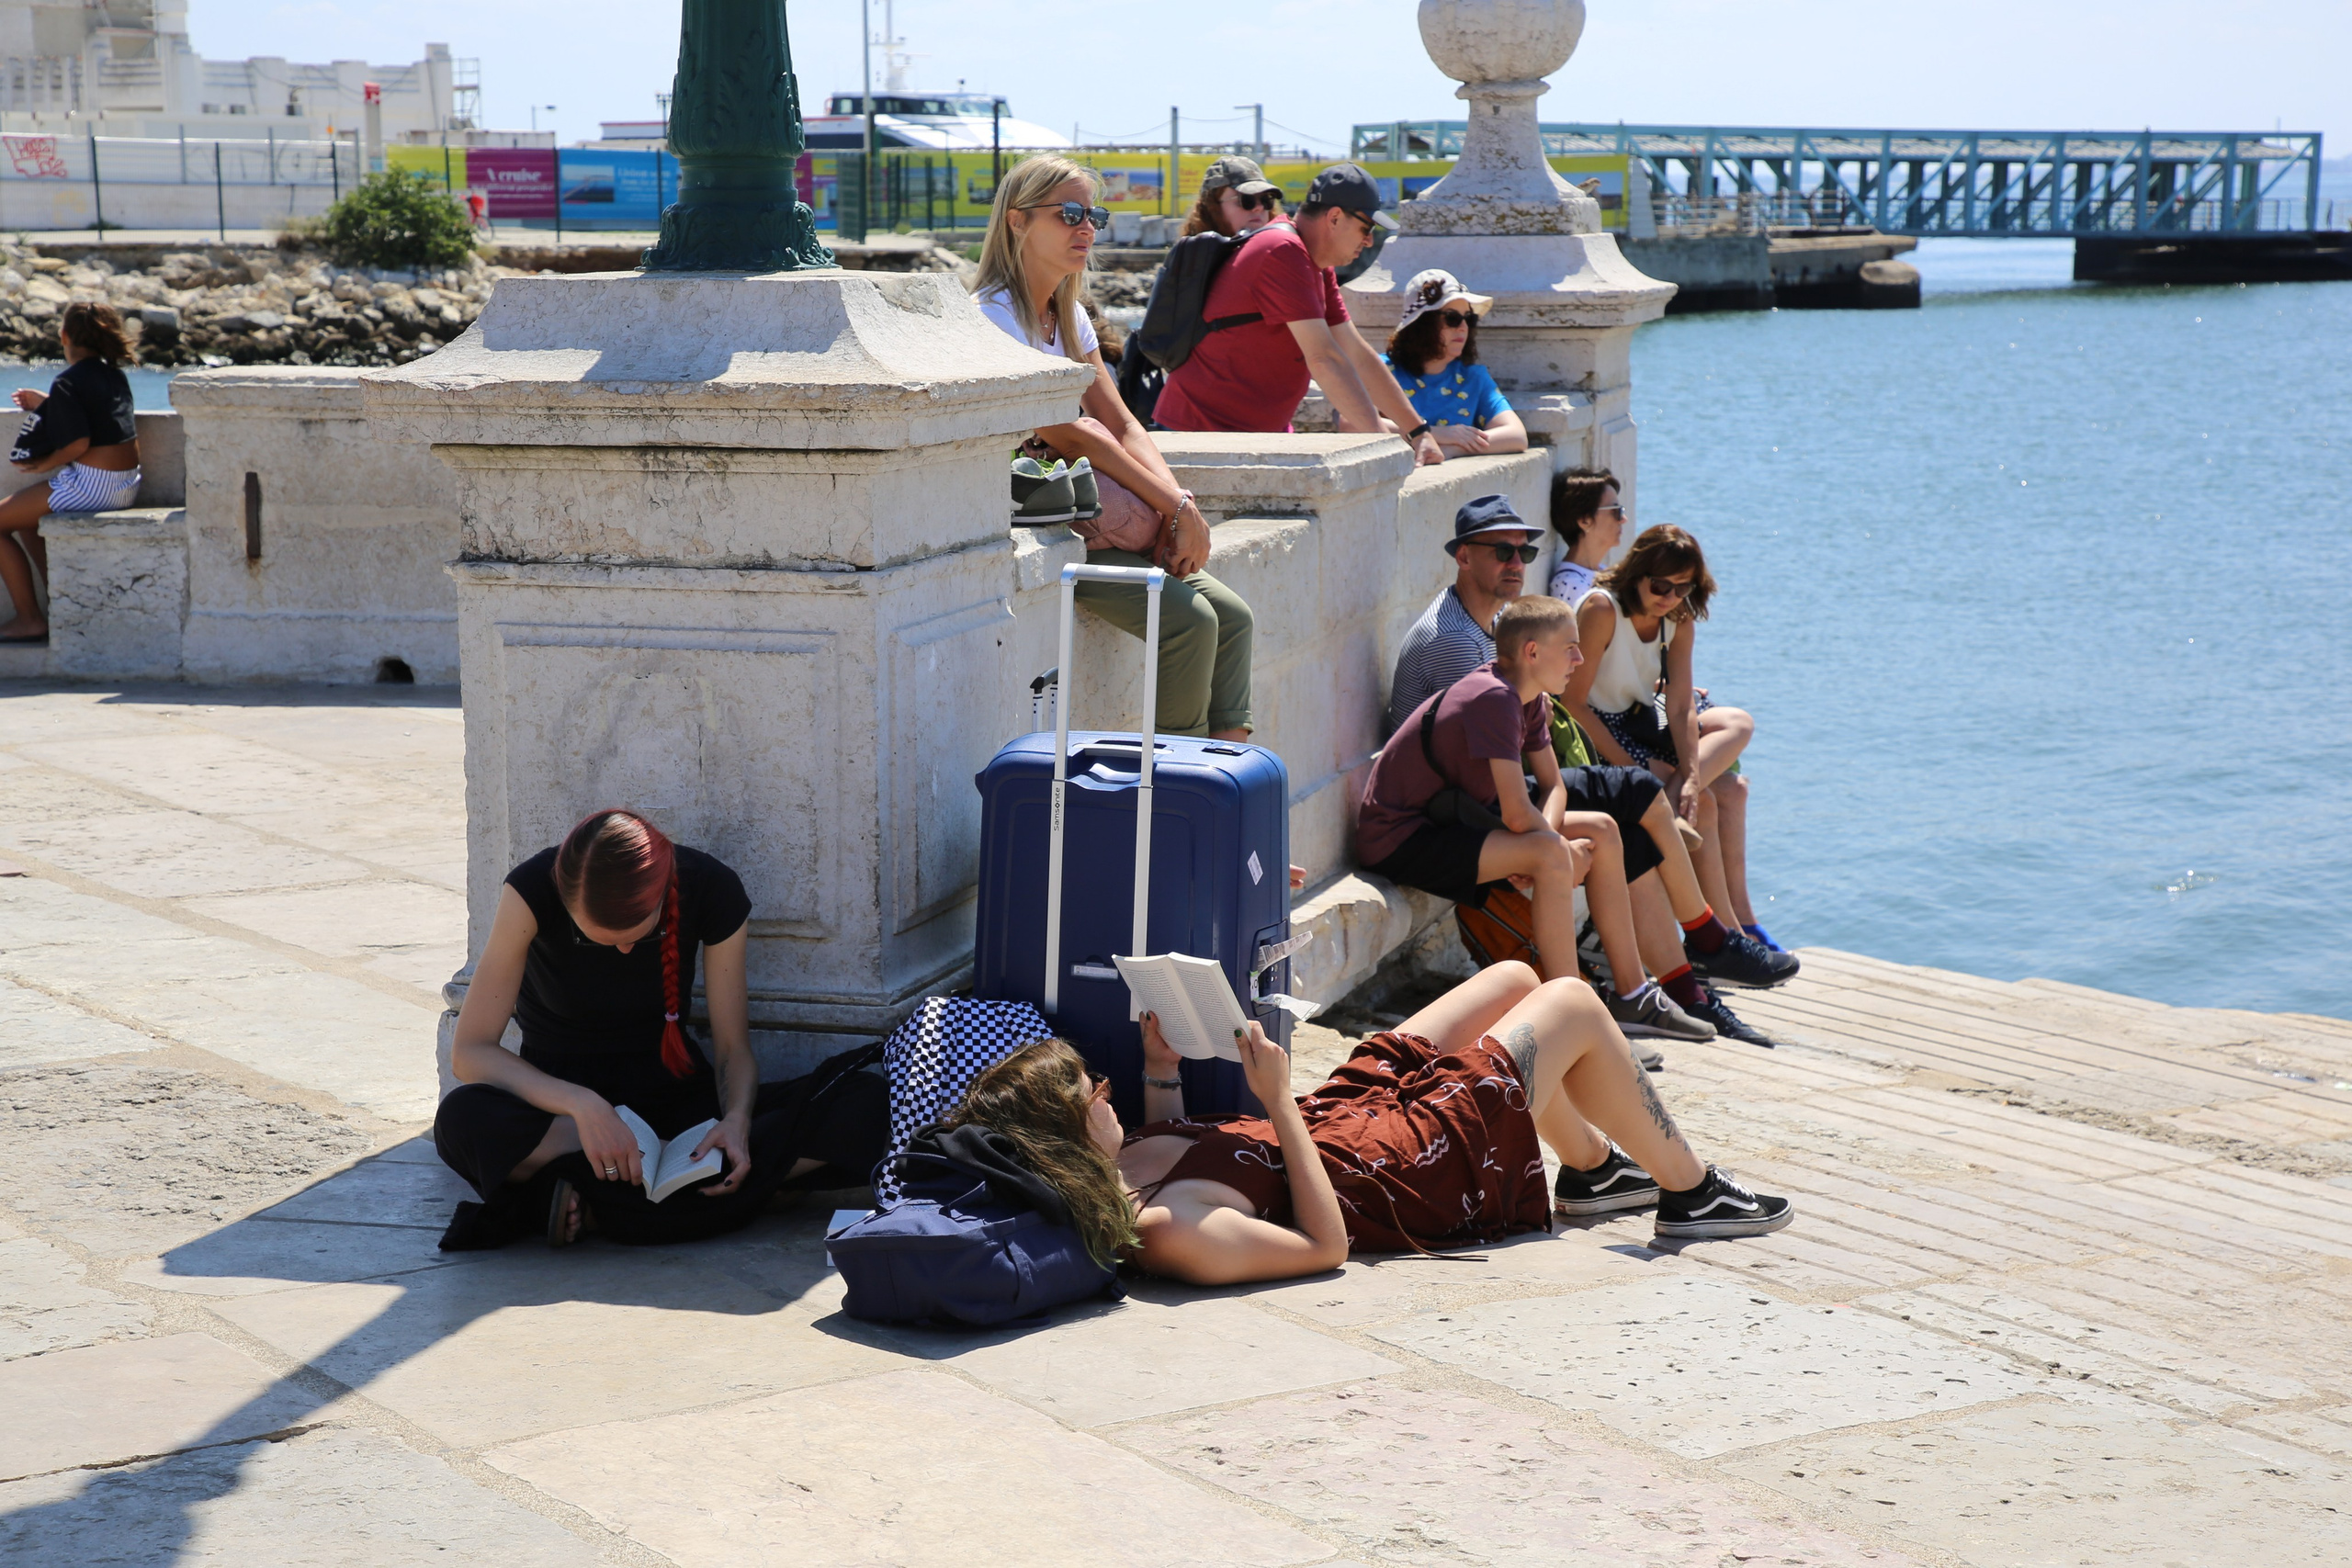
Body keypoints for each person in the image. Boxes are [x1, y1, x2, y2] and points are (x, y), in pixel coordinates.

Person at [944, 964, 1794, 1290]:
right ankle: (1689, 1193)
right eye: (1091, 1092)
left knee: (1511, 980)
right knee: (1569, 1003)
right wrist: (1276, 1102)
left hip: (1338, 1120)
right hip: (1392, 1164)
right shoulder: (1165, 1231)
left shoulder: (1123, 1168)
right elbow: (1325, 1247)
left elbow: (1203, 1158)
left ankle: (1596, 1168)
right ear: (1062, 1134)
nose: (1105, 1089)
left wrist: (1161, 1071)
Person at [1385, 499, 1792, 1043]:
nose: (1518, 561)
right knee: (1588, 835)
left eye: (1524, 550)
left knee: (1622, 812)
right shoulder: (1468, 654)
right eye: (1502, 550)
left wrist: (1550, 828)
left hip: (1478, 797)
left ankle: (1647, 990)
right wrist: (1545, 842)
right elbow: (1487, 790)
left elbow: (1547, 780)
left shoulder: (1509, 663)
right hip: (1439, 817)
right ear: (1462, 557)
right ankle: (1580, 1011)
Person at [434, 809, 888, 1249]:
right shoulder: (530, 890)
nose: (626, 950)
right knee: (462, 1120)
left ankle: (586, 1204)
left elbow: (732, 1049)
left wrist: (736, 1122)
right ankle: (731, 1194)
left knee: (868, 1104)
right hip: (564, 1121)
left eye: (636, 932)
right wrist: (584, 1108)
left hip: (678, 1110)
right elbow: (471, 1052)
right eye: (603, 939)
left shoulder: (710, 886)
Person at [975, 153, 1256, 741]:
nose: (1086, 228)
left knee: (1233, 619)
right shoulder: (992, 319)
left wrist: (1175, 504)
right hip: (1047, 525)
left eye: (1093, 215)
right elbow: (1063, 430)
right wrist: (1174, 509)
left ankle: (1224, 785)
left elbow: (1122, 421)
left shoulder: (1068, 316)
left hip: (1093, 517)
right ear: (1017, 222)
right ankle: (1177, 788)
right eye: (1069, 213)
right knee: (1190, 622)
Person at [1357, 592, 1721, 1043]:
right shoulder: (1493, 698)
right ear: (1532, 652)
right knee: (1550, 856)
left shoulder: (1526, 697)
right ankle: (1568, 1022)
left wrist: (1545, 840)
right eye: (1570, 646)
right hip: (1403, 839)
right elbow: (1514, 816)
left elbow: (1554, 786)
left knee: (1603, 830)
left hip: (1458, 822)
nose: (1581, 657)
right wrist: (1553, 850)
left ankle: (1632, 997)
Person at [1565, 525, 1783, 963]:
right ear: (1638, 572)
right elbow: (1572, 703)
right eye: (1661, 585)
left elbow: (1680, 703)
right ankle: (1726, 936)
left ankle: (1726, 935)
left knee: (1737, 725)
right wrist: (1639, 773)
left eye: (1682, 587)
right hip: (1595, 727)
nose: (1669, 596)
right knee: (1711, 801)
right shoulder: (1602, 609)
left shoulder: (1678, 618)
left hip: (1645, 717)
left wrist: (1689, 776)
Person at [1154, 162, 1442, 465]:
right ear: (1333, 218)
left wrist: (1418, 432)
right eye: (1366, 227)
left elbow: (1357, 354)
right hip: (1202, 435)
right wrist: (1385, 448)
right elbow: (1324, 359)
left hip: (1257, 437)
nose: (1369, 240)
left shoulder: (1315, 264)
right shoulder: (1282, 250)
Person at [0, 302, 142, 645]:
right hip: (126, 484)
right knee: (24, 520)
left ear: (63, 336)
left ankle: (30, 619)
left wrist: (45, 464)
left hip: (92, 485)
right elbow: (93, 414)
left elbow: (78, 441)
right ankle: (61, 604)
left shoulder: (68, 380)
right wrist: (47, 403)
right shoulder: (113, 375)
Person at [1384, 270, 1527, 460]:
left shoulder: (1474, 378)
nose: (1463, 327)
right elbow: (1350, 422)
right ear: (1422, 324)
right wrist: (1435, 434)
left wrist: (1454, 449)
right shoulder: (1382, 370)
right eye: (1452, 318)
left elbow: (1516, 435)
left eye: (1469, 318)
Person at [1547, 467, 1624, 606]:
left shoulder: (1599, 572)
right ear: (1584, 521)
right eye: (1616, 511)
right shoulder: (1570, 584)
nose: (1623, 519)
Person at [1182, 154, 1283, 239]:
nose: (1259, 207)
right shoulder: (1191, 259)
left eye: (1266, 200)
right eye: (1246, 199)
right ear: (1212, 207)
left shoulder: (1279, 253)